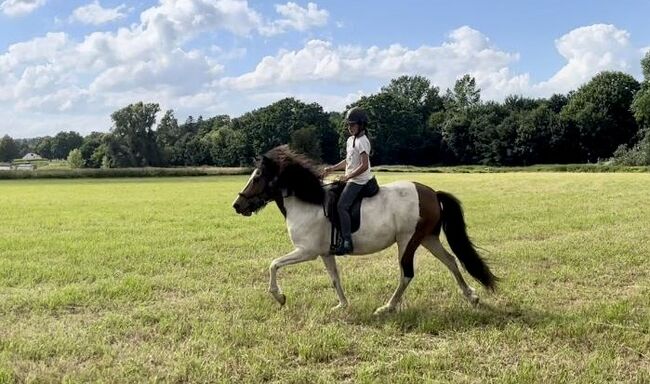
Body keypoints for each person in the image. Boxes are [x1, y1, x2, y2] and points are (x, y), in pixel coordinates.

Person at [323, 107, 376, 255]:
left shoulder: (363, 141)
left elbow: (364, 165)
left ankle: (347, 242)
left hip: (359, 181)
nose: (349, 127)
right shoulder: (350, 140)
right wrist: (332, 168)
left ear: (361, 125)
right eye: (348, 125)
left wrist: (348, 177)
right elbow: (349, 160)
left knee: (342, 206)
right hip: (352, 178)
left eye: (352, 125)